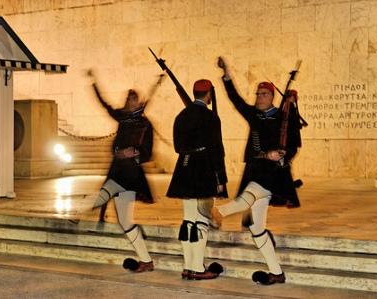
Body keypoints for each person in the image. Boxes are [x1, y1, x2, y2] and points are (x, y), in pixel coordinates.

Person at [212, 57, 302, 285]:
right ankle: (276, 273)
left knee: (247, 197)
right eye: (258, 94)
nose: (259, 97)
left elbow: (293, 144)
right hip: (255, 168)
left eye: (263, 94)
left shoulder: (284, 118)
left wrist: (282, 154)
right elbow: (235, 99)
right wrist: (227, 74)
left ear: (272, 97)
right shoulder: (254, 115)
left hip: (273, 173)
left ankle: (218, 213)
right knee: (257, 227)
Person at [88, 69, 155, 273]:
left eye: (134, 98)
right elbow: (104, 105)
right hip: (117, 170)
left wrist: (132, 152)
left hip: (130, 174)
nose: (130, 100)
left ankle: (84, 207)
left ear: (139, 101)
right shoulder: (123, 118)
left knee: (101, 197)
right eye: (129, 97)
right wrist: (94, 83)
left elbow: (147, 153)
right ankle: (146, 260)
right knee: (125, 221)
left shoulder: (145, 124)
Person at [167, 79, 228, 280]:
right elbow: (217, 150)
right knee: (202, 219)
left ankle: (188, 266)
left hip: (184, 167)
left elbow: (177, 147)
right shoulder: (211, 117)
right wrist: (221, 178)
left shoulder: (180, 116)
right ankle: (198, 269)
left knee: (188, 220)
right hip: (204, 168)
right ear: (209, 94)